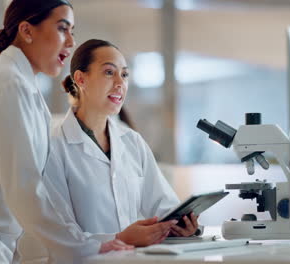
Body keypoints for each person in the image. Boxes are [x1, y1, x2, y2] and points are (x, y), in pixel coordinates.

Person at [0, 2, 174, 264]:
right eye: (62, 29)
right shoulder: (7, 83)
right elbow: (25, 188)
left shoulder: (22, 85)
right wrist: (87, 246)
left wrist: (91, 244)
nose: (71, 41)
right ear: (27, 31)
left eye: (73, 30)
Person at [19, 39, 199, 262]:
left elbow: (163, 205)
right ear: (80, 79)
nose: (119, 83)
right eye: (108, 72)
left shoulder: (132, 142)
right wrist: (120, 237)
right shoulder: (53, 145)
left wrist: (181, 225)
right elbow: (57, 233)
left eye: (124, 75)